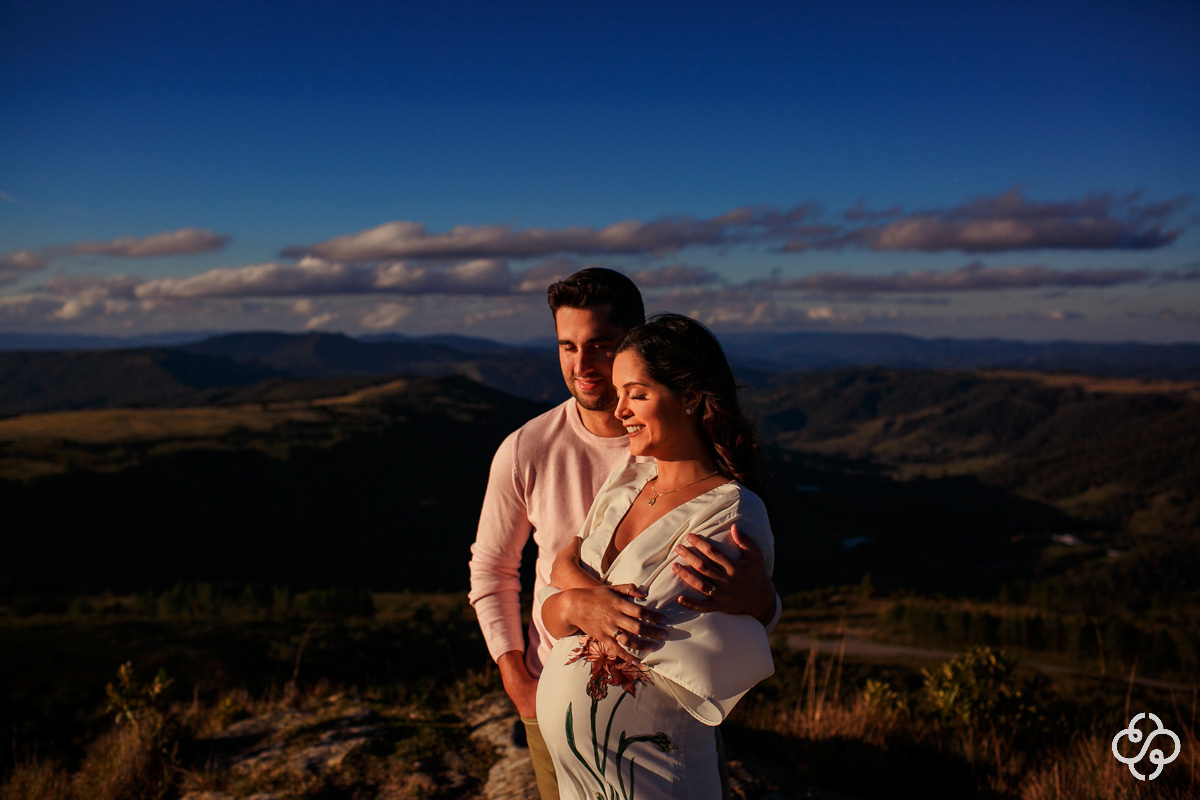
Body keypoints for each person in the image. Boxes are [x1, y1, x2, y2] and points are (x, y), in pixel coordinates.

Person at [468, 270, 778, 800]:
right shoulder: (530, 450)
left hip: (653, 732)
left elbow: (682, 615)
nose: (582, 365)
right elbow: (493, 569)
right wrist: (516, 678)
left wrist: (765, 604)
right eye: (567, 346)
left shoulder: (680, 471)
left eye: (599, 345)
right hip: (551, 699)